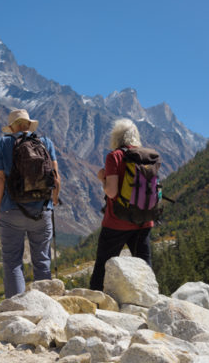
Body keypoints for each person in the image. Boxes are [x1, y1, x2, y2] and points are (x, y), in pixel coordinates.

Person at [0, 109, 61, 298]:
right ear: (29, 125)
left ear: (12, 127)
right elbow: (56, 178)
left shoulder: (2, 143)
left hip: (11, 211)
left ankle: (16, 311)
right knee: (42, 260)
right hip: (42, 211)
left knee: (13, 262)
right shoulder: (45, 143)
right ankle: (45, 308)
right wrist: (53, 200)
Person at [90, 118, 153, 291]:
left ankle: (94, 304)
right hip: (144, 219)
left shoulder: (115, 156)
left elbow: (111, 192)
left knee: (102, 267)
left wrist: (102, 179)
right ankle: (150, 302)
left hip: (117, 221)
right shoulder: (148, 156)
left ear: (116, 137)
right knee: (144, 266)